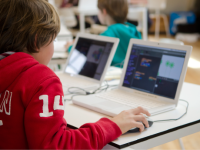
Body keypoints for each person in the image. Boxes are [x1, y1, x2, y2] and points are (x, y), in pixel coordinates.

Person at [0, 0, 151, 150]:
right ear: (36, 41)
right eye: (54, 39)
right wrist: (113, 125)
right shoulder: (42, 80)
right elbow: (57, 146)